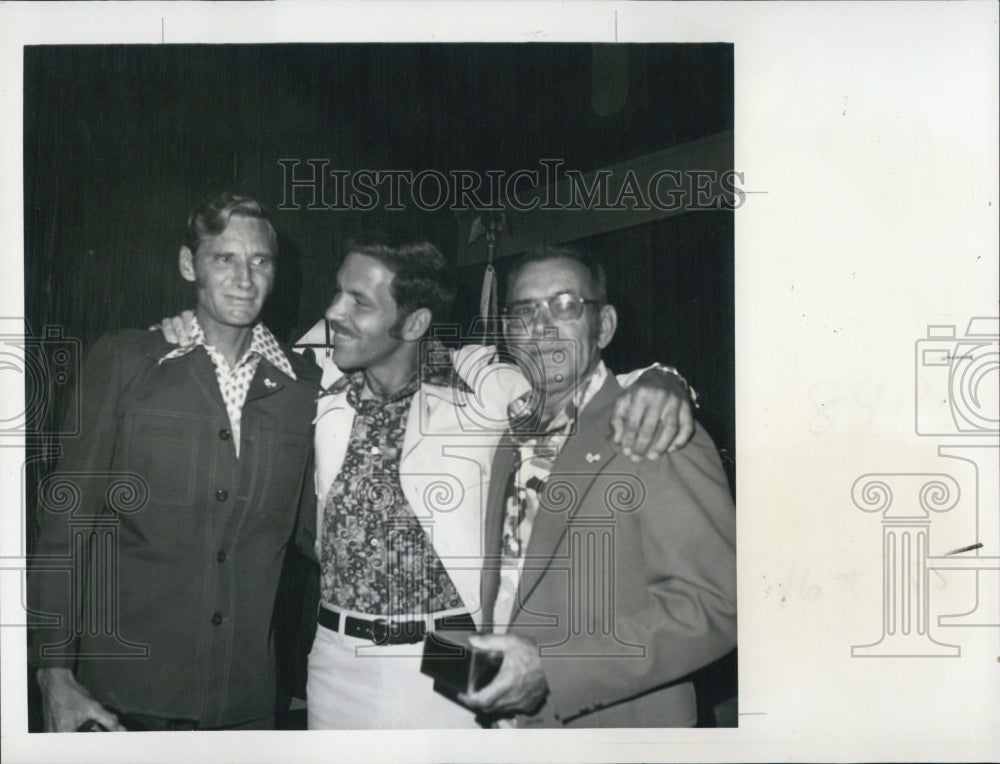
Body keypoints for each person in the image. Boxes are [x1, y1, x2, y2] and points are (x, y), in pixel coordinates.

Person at [296, 234, 699, 729]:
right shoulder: (318, 385)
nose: (334, 310)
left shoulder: (485, 394)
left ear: (416, 322)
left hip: (445, 656)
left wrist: (665, 380)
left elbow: (586, 386)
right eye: (339, 292)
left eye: (358, 300)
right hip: (334, 657)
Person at [29, 193, 320, 731]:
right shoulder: (126, 361)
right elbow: (65, 526)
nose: (244, 278)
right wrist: (52, 672)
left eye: (260, 262)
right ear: (190, 265)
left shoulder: (305, 390)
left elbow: (318, 537)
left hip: (245, 709)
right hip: (121, 700)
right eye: (224, 259)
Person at [457, 244, 737, 728]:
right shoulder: (509, 438)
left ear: (603, 326)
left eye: (565, 306)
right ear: (507, 332)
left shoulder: (653, 428)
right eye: (524, 311)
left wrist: (554, 670)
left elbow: (719, 603)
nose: (542, 327)